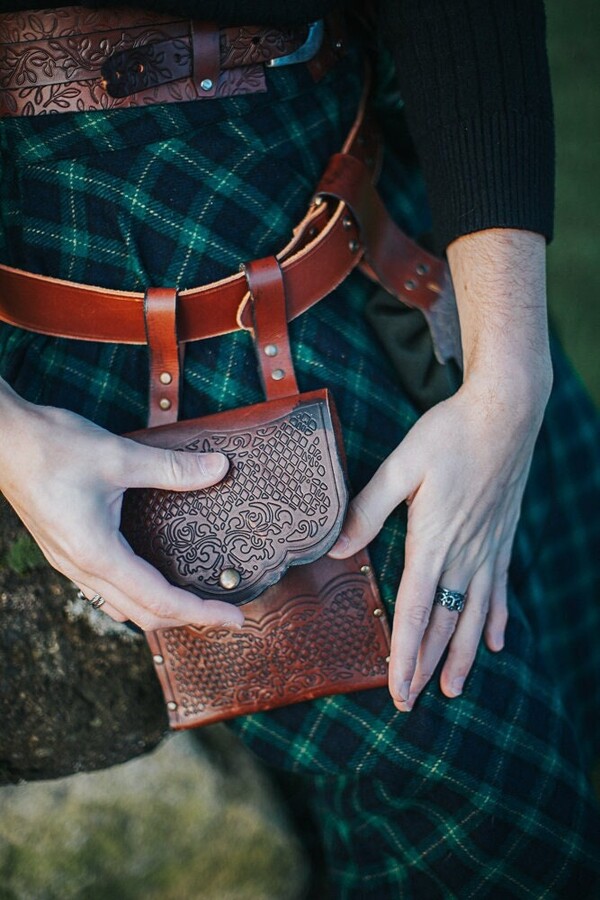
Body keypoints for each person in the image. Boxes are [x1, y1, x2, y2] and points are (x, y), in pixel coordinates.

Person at [1, 1, 599, 895]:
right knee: (479, 802)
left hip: (391, 167)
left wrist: (511, 379)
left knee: (575, 586)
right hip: (121, 234)